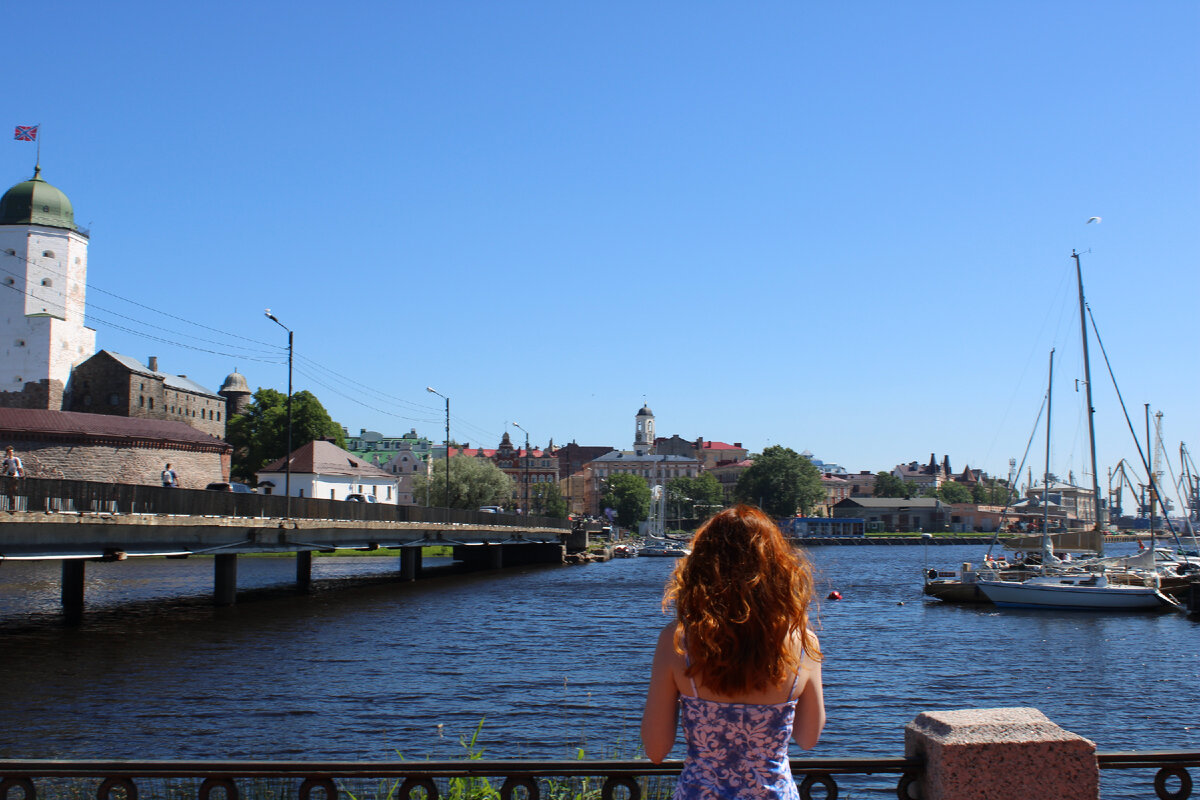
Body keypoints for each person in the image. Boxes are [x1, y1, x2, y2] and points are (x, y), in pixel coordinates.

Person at [641, 505, 825, 800]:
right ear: (776, 567)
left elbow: (656, 749)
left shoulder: (677, 641)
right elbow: (807, 737)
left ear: (701, 567)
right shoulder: (803, 643)